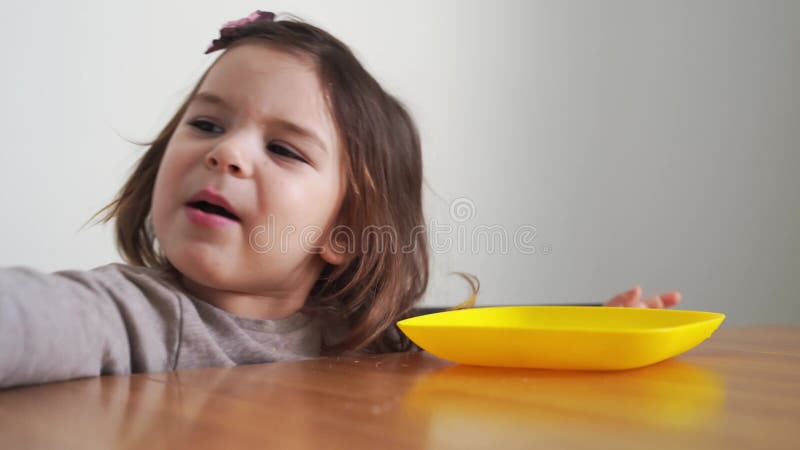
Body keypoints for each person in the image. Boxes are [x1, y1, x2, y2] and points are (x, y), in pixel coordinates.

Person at [0, 11, 680, 389]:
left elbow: (486, 339)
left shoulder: (366, 338)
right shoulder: (128, 317)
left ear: (345, 233)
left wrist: (599, 324)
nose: (226, 152)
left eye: (286, 149)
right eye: (207, 123)